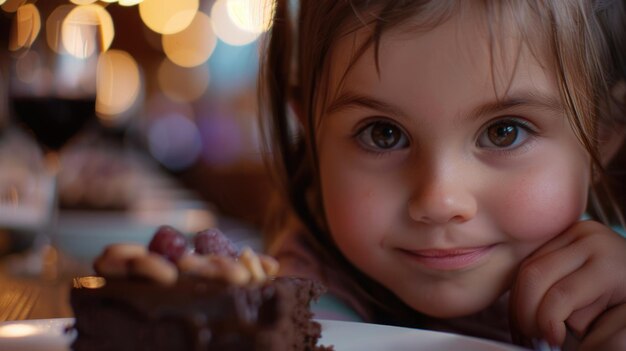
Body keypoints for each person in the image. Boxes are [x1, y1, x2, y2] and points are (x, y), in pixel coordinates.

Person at [258, 1, 626, 350]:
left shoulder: (617, 286)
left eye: (504, 132)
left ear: (603, 134)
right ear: (311, 138)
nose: (439, 200)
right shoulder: (294, 317)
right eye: (383, 134)